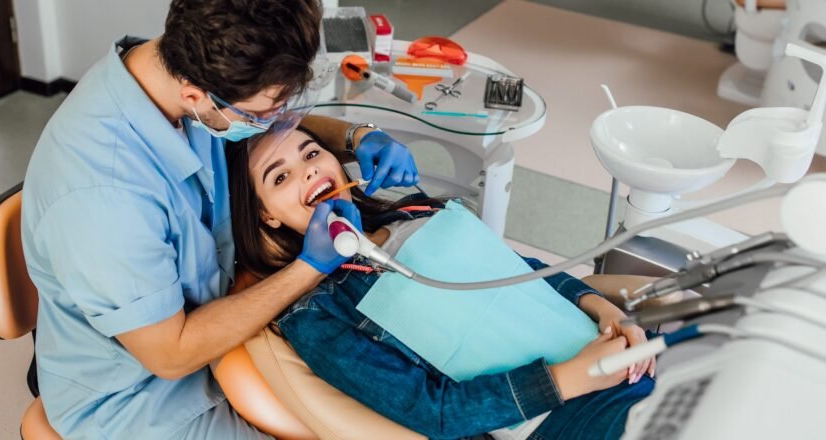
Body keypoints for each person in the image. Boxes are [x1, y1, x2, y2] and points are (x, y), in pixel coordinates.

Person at [20, 1, 420, 438]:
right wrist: (311, 267)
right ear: (195, 97)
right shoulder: (104, 197)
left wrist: (354, 137)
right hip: (144, 397)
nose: (279, 122)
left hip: (226, 329)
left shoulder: (179, 71)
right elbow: (170, 355)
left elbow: (276, 126)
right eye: (264, 114)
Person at [226, 127, 659, 440]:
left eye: (311, 153)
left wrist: (608, 312)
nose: (306, 171)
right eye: (279, 177)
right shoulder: (318, 316)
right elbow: (434, 412)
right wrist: (571, 379)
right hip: (563, 414)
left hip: (625, 355)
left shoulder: (416, 211)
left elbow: (524, 270)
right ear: (267, 217)